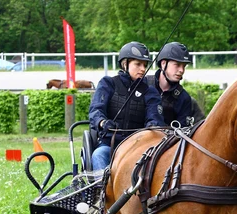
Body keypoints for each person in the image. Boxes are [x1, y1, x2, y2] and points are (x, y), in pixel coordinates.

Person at [88, 41, 164, 170]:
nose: (142, 69)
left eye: (145, 65)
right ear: (125, 64)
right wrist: (103, 122)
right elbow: (96, 110)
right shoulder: (108, 83)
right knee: (98, 155)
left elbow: (155, 118)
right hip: (110, 145)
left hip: (138, 147)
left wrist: (152, 127)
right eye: (138, 64)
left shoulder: (150, 92)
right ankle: (101, 189)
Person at [146, 42, 205, 127]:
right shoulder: (144, 85)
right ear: (163, 64)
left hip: (166, 139)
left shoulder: (184, 98)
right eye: (177, 65)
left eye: (184, 66)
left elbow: (181, 135)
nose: (181, 70)